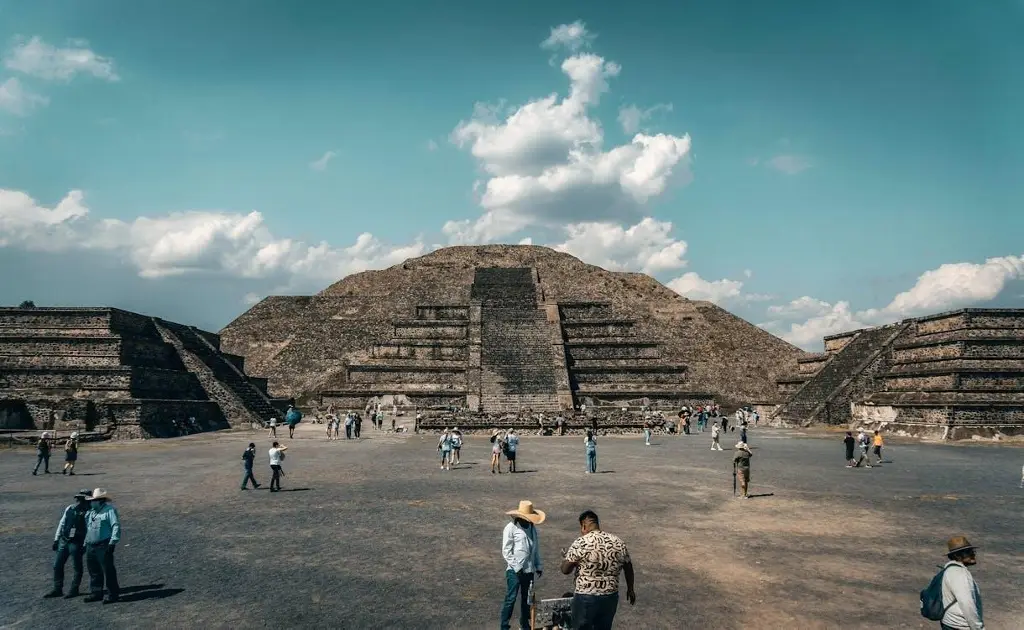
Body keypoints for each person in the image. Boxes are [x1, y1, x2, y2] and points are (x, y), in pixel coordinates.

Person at [561, 510, 636, 630]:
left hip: (585, 597)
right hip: (610, 597)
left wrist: (567, 559)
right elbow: (628, 567)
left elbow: (565, 570)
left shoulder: (581, 543)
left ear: (583, 526)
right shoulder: (618, 542)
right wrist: (630, 589)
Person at [500, 500, 545, 630]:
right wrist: (517, 567)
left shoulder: (532, 528)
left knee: (527, 599)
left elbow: (535, 549)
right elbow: (506, 551)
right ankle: (504, 626)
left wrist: (538, 566)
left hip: (529, 570)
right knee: (511, 598)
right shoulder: (510, 528)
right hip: (514, 572)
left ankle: (525, 625)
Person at [44, 489, 91, 598]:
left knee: (77, 567)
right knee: (57, 565)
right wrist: (56, 539)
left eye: (81, 499)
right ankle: (57, 588)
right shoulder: (70, 508)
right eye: (78, 499)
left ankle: (74, 589)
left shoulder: (89, 512)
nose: (78, 501)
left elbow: (89, 529)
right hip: (64, 540)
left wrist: (85, 544)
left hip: (77, 542)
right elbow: (62, 523)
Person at [83, 488, 120, 603]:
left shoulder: (109, 510)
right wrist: (85, 542)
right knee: (93, 570)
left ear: (99, 501)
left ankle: (112, 594)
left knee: (108, 570)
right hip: (91, 544)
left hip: (104, 544)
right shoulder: (91, 512)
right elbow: (88, 528)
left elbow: (115, 525)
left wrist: (113, 542)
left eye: (93, 500)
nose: (91, 502)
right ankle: (96, 592)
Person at [939, 536, 984, 630]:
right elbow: (967, 603)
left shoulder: (949, 570)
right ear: (957, 556)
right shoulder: (960, 574)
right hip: (959, 626)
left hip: (949, 623)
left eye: (972, 551)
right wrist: (978, 627)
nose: (973, 554)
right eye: (968, 552)